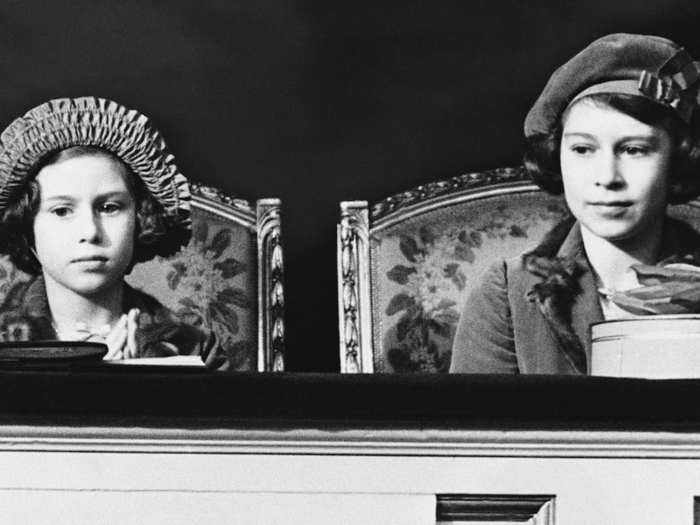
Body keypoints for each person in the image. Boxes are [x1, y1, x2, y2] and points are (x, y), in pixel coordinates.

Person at [450, 33, 700, 374]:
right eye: (583, 149)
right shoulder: (508, 293)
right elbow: (482, 427)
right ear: (558, 156)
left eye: (634, 149)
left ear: (677, 159)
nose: (607, 177)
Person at [0, 96, 229, 369]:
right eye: (62, 211)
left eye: (110, 207)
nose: (90, 232)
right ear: (27, 228)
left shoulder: (194, 347)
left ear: (141, 218)